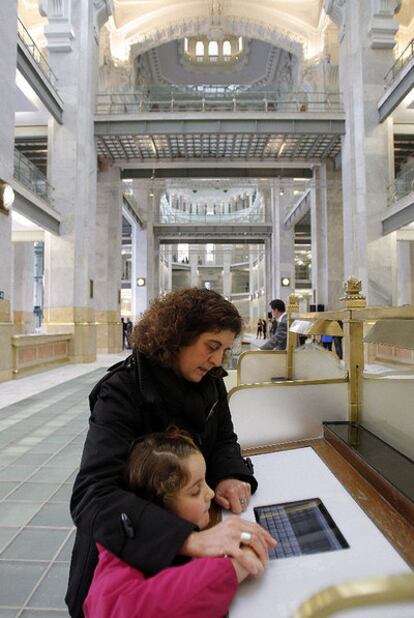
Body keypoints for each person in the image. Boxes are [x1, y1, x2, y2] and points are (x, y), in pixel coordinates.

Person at [66, 288, 275, 617]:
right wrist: (185, 541)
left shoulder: (211, 382)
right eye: (212, 346)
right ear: (179, 336)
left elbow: (223, 439)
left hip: (188, 535)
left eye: (225, 350)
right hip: (127, 552)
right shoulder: (123, 390)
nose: (218, 361)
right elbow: (92, 495)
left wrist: (231, 474)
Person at [83, 429, 266, 618]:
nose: (210, 493)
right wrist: (234, 568)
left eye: (205, 482)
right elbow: (126, 610)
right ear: (159, 507)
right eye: (195, 491)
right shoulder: (119, 560)